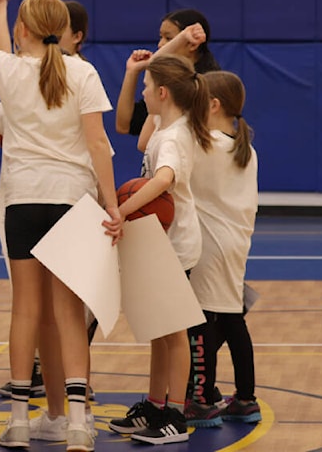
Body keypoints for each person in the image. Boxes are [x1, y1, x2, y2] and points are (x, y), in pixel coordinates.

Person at [0, 0, 121, 452]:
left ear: (24, 29)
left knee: (25, 311)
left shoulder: (8, 72)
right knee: (69, 314)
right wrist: (112, 203)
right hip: (72, 200)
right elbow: (98, 144)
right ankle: (76, 423)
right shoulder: (84, 72)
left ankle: (18, 422)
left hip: (24, 200)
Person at [111, 54, 212, 445]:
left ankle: (174, 414)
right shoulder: (167, 126)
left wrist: (123, 209)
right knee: (158, 329)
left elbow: (164, 178)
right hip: (161, 241)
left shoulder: (174, 136)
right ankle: (155, 404)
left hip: (175, 243)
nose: (143, 93)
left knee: (173, 332)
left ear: (164, 93)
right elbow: (140, 139)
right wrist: (138, 69)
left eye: (147, 88)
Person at [187, 71, 262, 425]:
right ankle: (246, 397)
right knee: (232, 318)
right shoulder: (244, 147)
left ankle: (200, 398)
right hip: (236, 243)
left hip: (209, 245)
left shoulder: (204, 146)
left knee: (201, 320)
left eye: (197, 97)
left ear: (212, 105)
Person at [115, 9, 220, 137]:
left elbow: (143, 143)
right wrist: (132, 72)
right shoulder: (169, 80)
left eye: (169, 38)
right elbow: (124, 125)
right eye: (161, 37)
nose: (160, 44)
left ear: (192, 44)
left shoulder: (207, 84)